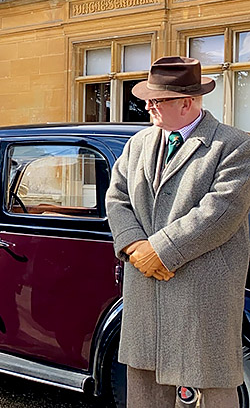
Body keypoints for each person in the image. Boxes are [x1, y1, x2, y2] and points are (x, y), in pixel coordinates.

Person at [106, 56, 250, 408]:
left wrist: (160, 251)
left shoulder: (235, 145)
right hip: (146, 298)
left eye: (159, 100)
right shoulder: (138, 144)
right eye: (149, 99)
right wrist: (134, 245)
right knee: (144, 395)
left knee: (206, 397)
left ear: (188, 102)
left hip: (199, 302)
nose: (149, 106)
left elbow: (220, 212)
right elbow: (117, 196)